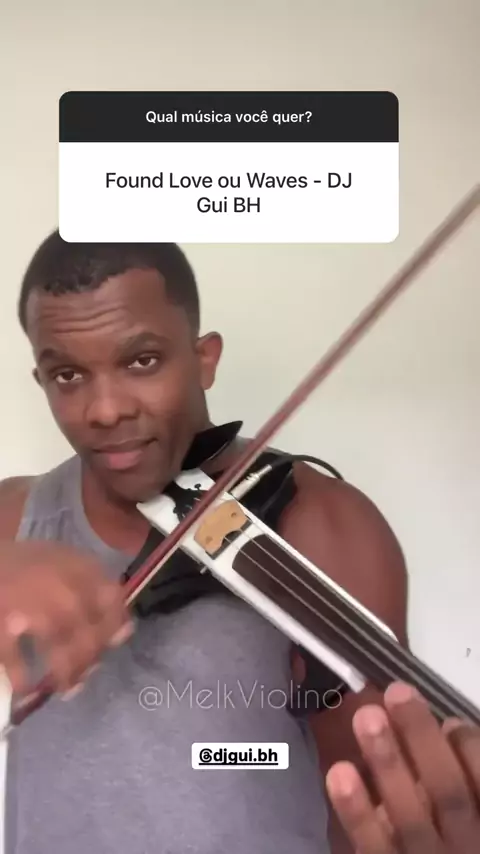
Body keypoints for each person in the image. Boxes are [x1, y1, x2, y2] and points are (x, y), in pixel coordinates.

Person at [0, 232, 478, 854]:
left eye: (142, 361)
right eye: (68, 375)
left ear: (204, 358)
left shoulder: (321, 522)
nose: (105, 410)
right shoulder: (15, 516)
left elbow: (366, 801)